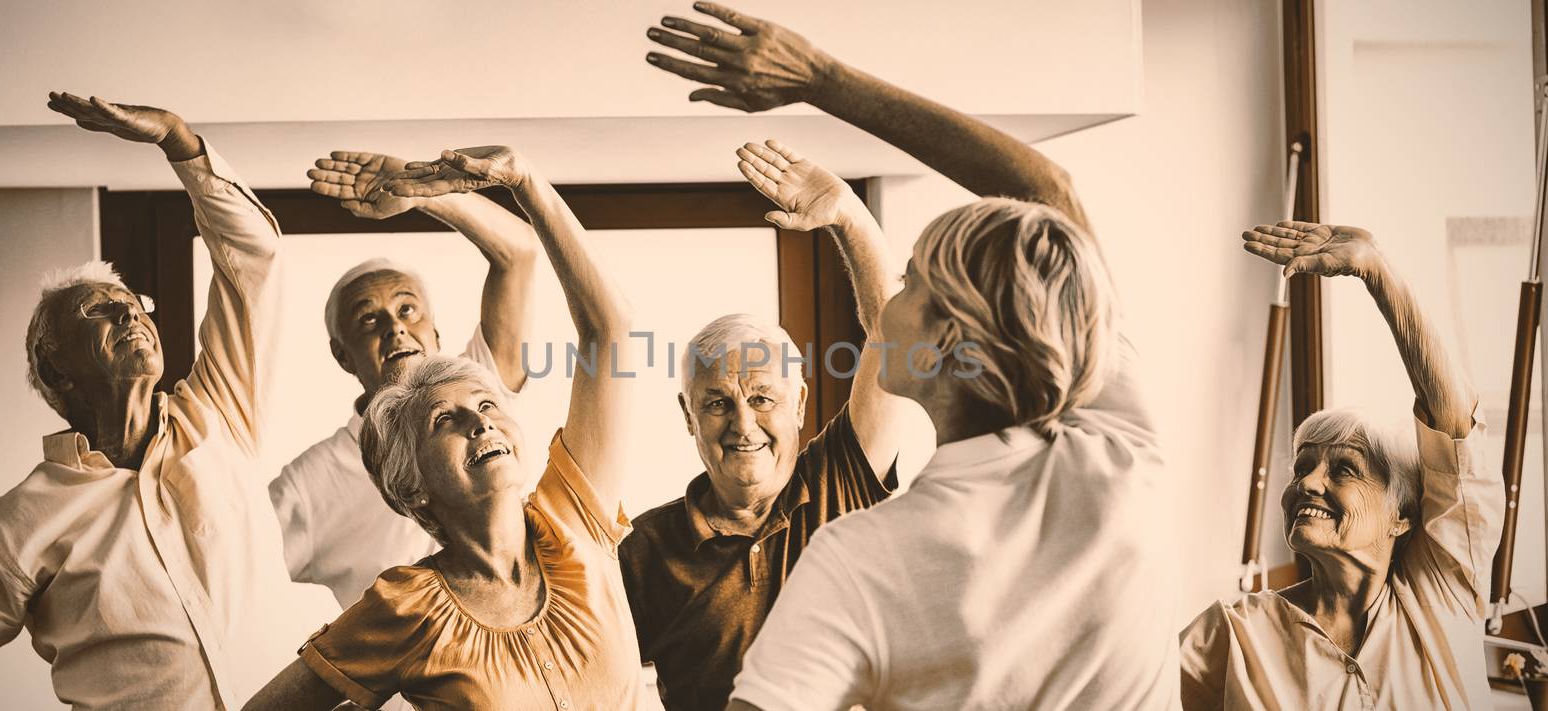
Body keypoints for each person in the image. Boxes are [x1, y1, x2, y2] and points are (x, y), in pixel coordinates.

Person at [646, 5, 1180, 709]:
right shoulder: (1119, 454)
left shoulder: (856, 558)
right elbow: (1050, 193)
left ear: (946, 344)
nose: (889, 301)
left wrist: (820, 86)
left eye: (913, 282)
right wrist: (820, 78)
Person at [244, 145, 642, 710]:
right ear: (413, 488)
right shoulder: (401, 605)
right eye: (444, 421)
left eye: (487, 405)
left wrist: (523, 181)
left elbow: (608, 327)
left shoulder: (575, 521)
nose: (480, 423)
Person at [0, 92, 299, 709]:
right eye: (101, 312)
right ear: (55, 366)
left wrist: (178, 141)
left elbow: (256, 258)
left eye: (136, 306)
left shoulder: (219, 416)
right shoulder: (19, 521)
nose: (130, 316)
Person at [616, 139, 907, 711]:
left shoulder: (840, 481)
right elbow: (589, 680)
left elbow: (891, 335)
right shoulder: (646, 550)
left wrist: (847, 216)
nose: (743, 423)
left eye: (761, 398)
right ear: (688, 416)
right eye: (718, 402)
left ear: (799, 403)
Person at [1179, 222, 1496, 710]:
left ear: (1402, 515)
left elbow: (1453, 421)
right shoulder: (1236, 634)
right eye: (1300, 467)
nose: (1305, 482)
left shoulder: (1441, 593)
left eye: (1345, 469)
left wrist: (1377, 272)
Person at [270, 149, 536, 609]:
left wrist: (418, 192)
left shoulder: (481, 390)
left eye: (407, 309)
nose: (395, 328)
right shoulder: (308, 485)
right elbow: (229, 581)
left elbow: (520, 253)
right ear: (342, 356)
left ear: (434, 331)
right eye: (368, 321)